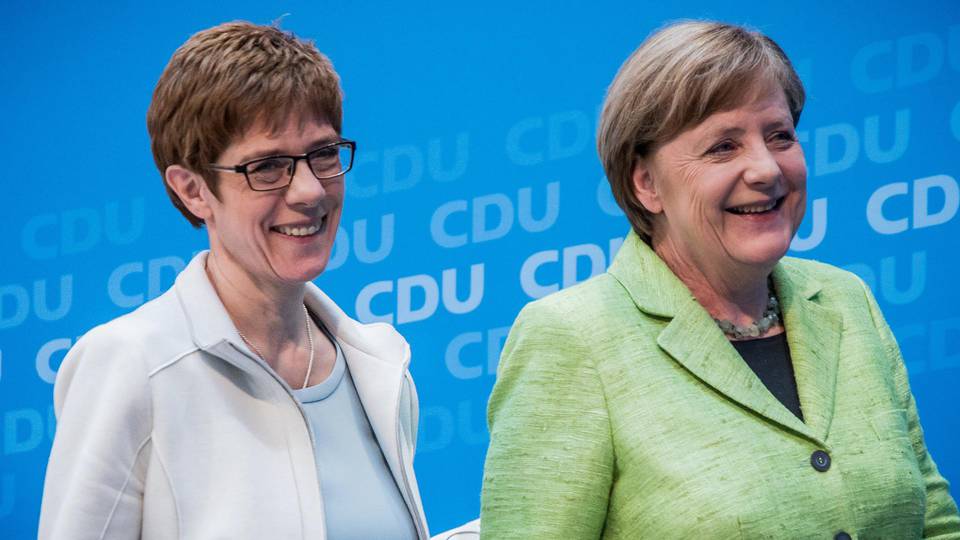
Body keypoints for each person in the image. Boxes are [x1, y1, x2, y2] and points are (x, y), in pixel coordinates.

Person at [480, 20, 960, 539]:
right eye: (723, 147)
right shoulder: (571, 337)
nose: (766, 169)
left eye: (779, 136)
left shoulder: (845, 299)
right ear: (646, 184)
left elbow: (933, 523)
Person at [39, 21, 429, 540]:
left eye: (323, 154)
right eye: (267, 167)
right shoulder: (132, 363)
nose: (310, 191)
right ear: (193, 190)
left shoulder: (377, 362)